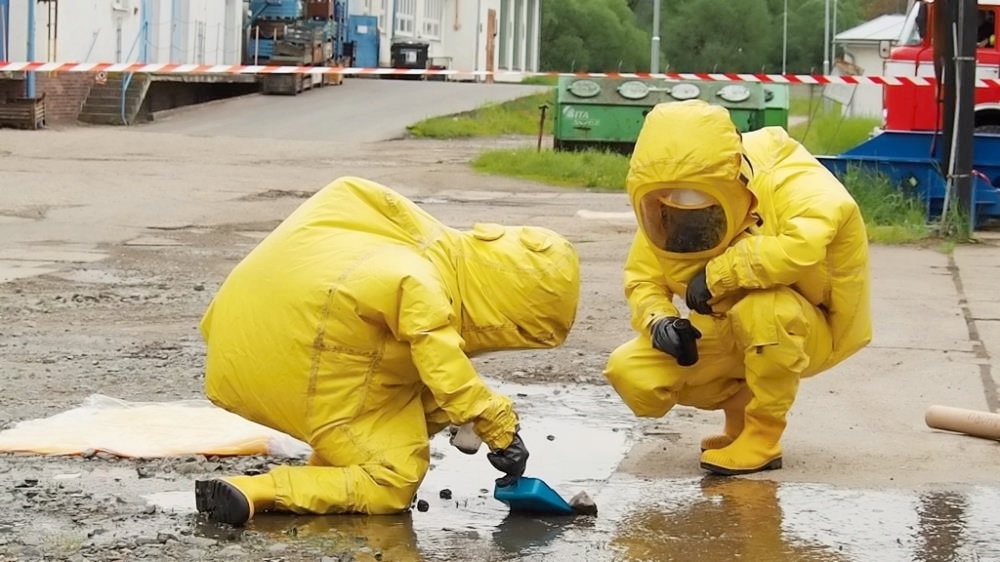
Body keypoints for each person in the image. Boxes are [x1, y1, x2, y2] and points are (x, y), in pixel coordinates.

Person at [194, 176, 580, 526]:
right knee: (394, 477)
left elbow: (434, 366)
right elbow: (438, 352)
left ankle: (332, 468)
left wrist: (466, 415)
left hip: (249, 340)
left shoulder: (425, 244)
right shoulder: (418, 281)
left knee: (418, 399)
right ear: (511, 301)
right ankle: (253, 491)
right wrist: (493, 421)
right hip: (303, 360)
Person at [603, 99, 872, 476]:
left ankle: (763, 437)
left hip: (808, 327)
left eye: (699, 212)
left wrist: (717, 275)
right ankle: (738, 425)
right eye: (671, 209)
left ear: (735, 188)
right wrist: (660, 321)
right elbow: (643, 277)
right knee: (631, 371)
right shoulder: (661, 195)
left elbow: (803, 246)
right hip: (729, 324)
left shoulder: (789, 174)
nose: (685, 224)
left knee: (763, 310)